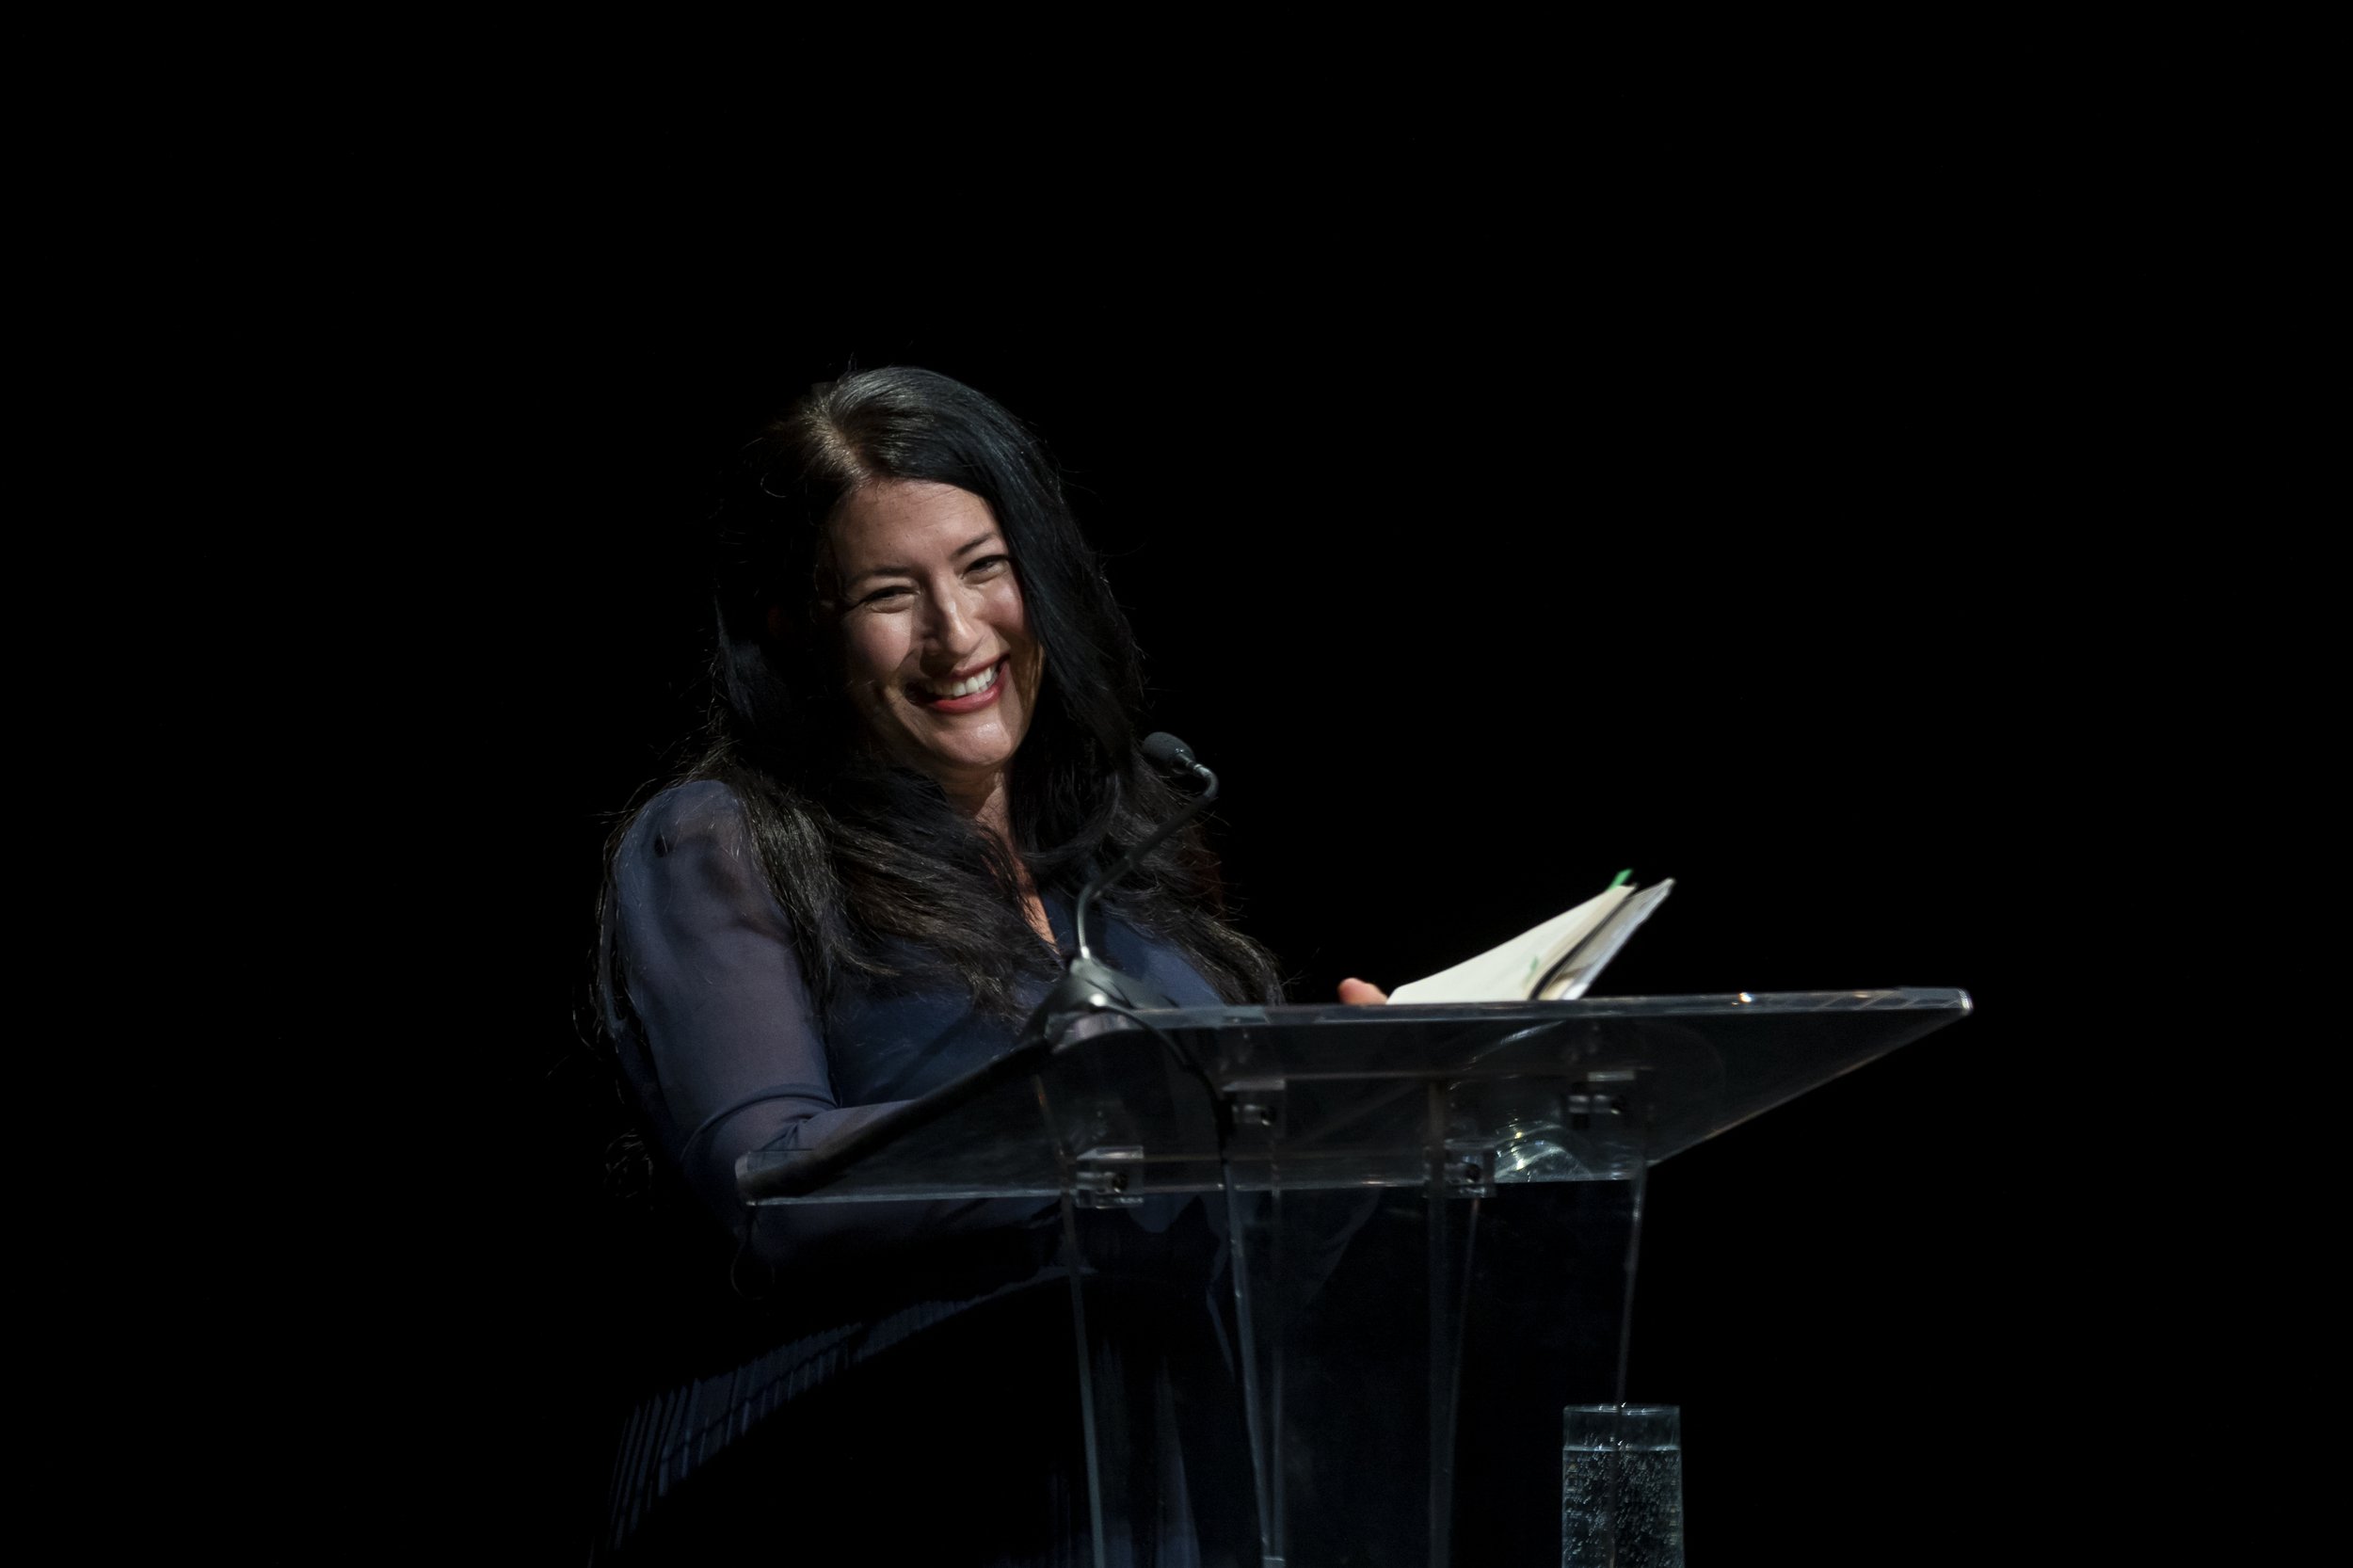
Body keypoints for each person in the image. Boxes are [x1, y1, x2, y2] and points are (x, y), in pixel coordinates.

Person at [591, 367, 1380, 1563]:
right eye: (888, 593)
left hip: (1161, 1495)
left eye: (983, 568)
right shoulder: (727, 841)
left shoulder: (1130, 857)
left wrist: (1364, 1115)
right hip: (857, 1490)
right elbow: (770, 1183)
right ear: (795, 625)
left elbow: (1240, 1248)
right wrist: (1093, 1122)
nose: (957, 635)